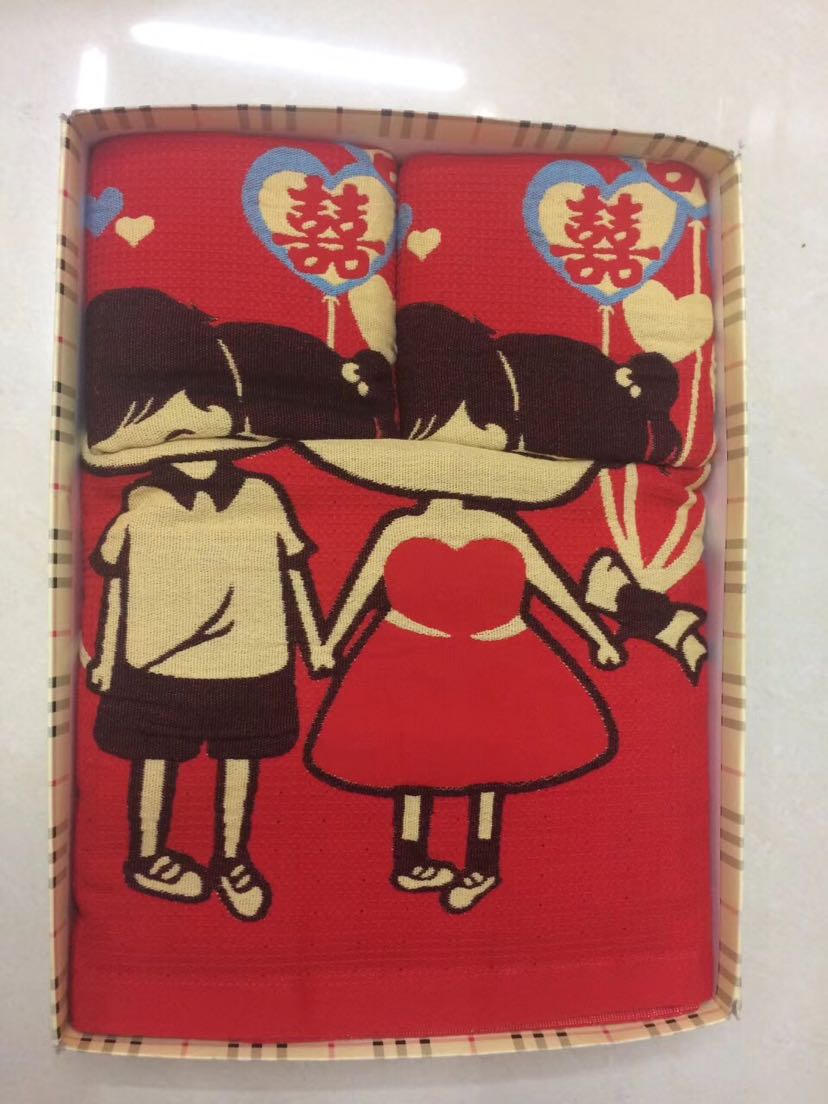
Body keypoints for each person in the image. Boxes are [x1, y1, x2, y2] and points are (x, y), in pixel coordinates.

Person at [301, 303, 684, 915]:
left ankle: (480, 863)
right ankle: (410, 857)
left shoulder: (505, 531)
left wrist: (595, 636)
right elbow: (360, 593)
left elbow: (553, 588)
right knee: (411, 760)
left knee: (492, 763)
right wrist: (328, 642)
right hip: (408, 657)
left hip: (499, 659)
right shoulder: (399, 531)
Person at [83, 286, 347, 922]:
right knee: (156, 759)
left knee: (241, 760)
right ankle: (149, 854)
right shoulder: (139, 502)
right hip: (155, 658)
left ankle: (232, 857)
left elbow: (293, 575)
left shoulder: (263, 495)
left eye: (201, 402)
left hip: (253, 657)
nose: (184, 420)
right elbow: (118, 585)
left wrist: (315, 642)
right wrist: (107, 659)